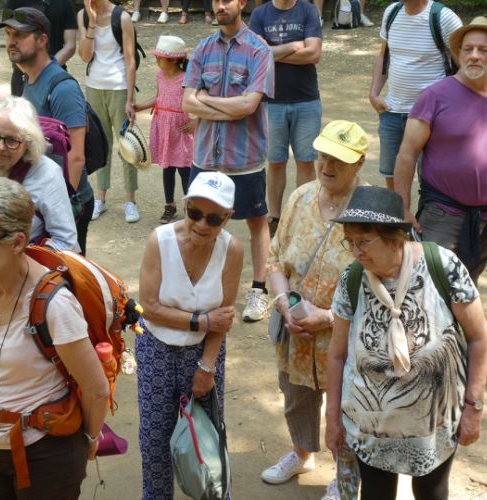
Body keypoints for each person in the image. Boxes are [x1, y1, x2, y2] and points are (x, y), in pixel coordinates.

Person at [326, 186, 487, 500]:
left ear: (394, 238)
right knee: (376, 495)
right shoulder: (352, 279)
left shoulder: (444, 266)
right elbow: (336, 354)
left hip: (434, 424)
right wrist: (332, 419)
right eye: (350, 241)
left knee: (431, 493)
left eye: (363, 241)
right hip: (370, 425)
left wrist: (474, 407)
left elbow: (478, 337)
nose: (355, 251)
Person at [261, 121, 367, 493]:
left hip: (345, 336)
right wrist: (283, 304)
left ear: (360, 163)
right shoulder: (301, 197)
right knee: (296, 396)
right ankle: (302, 453)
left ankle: (345, 476)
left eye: (339, 160)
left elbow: (383, 288)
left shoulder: (371, 210)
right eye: (323, 156)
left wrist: (329, 317)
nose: (327, 166)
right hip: (297, 330)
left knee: (348, 406)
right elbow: (275, 260)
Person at [0, 177, 109, 498]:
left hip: (46, 454)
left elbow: (96, 390)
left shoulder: (55, 305)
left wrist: (90, 439)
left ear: (17, 242)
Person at [136, 171, 243, 500]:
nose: (201, 225)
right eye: (194, 213)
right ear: (185, 205)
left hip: (202, 353)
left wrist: (207, 367)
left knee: (207, 438)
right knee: (155, 438)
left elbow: (223, 320)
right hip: (155, 347)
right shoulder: (160, 240)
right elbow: (149, 308)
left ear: (228, 218)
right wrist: (202, 320)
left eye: (213, 219)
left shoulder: (232, 250)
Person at [183, 0, 274, 323]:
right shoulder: (202, 48)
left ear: (242, 3)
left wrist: (206, 100)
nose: (220, 5)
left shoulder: (259, 50)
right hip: (206, 156)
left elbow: (249, 106)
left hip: (245, 158)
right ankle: (198, 290)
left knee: (256, 221)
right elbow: (187, 102)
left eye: (227, 0)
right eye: (216, 1)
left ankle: (259, 290)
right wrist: (229, 107)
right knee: (198, 222)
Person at [394, 17, 487, 285]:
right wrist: (403, 207)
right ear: (459, 54)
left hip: (484, 219)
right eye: (468, 49)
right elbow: (407, 153)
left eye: (483, 50)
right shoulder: (435, 96)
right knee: (428, 283)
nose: (474, 55)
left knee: (467, 284)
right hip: (442, 214)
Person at [0, 7, 95, 255]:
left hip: (65, 203)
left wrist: (62, 212)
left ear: (42, 40)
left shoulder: (62, 88)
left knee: (65, 270)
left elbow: (76, 157)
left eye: (20, 35)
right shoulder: (27, 79)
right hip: (41, 203)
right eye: (8, 34)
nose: (11, 41)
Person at [369, 0, 461, 189]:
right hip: (392, 111)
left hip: (431, 117)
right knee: (392, 177)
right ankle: (398, 210)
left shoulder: (444, 18)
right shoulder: (391, 12)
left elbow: (464, 64)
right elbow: (384, 56)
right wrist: (373, 94)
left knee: (431, 181)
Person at [250, 0, 322, 239]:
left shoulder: (307, 10)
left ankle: (303, 217)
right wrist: (293, 45)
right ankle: (275, 217)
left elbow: (314, 54)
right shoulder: (260, 14)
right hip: (271, 101)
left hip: (306, 99)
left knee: (306, 161)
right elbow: (256, 55)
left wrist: (273, 53)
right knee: (275, 162)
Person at [78, 0, 140, 223]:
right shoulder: (83, 15)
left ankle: (130, 201)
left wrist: (130, 99)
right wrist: (91, 22)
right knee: (100, 145)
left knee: (126, 145)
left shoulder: (122, 17)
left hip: (119, 87)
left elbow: (130, 61)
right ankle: (100, 198)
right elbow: (84, 56)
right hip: (94, 86)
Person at [0, 96, 77, 251]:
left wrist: (25, 262)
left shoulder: (48, 174)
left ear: (29, 143)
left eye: (11, 140)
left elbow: (65, 241)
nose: (0, 147)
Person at [135, 36, 194, 224]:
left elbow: (199, 100)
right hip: (163, 127)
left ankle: (190, 207)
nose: (157, 60)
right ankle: (170, 205)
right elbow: (159, 98)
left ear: (174, 60)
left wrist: (198, 121)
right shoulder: (160, 76)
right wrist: (140, 107)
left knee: (185, 169)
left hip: (181, 130)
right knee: (167, 168)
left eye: (160, 57)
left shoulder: (187, 79)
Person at [5, 0, 78, 96]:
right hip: (21, 76)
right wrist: (31, 72)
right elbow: (11, 39)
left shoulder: (65, 2)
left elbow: (70, 45)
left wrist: (46, 70)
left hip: (54, 77)